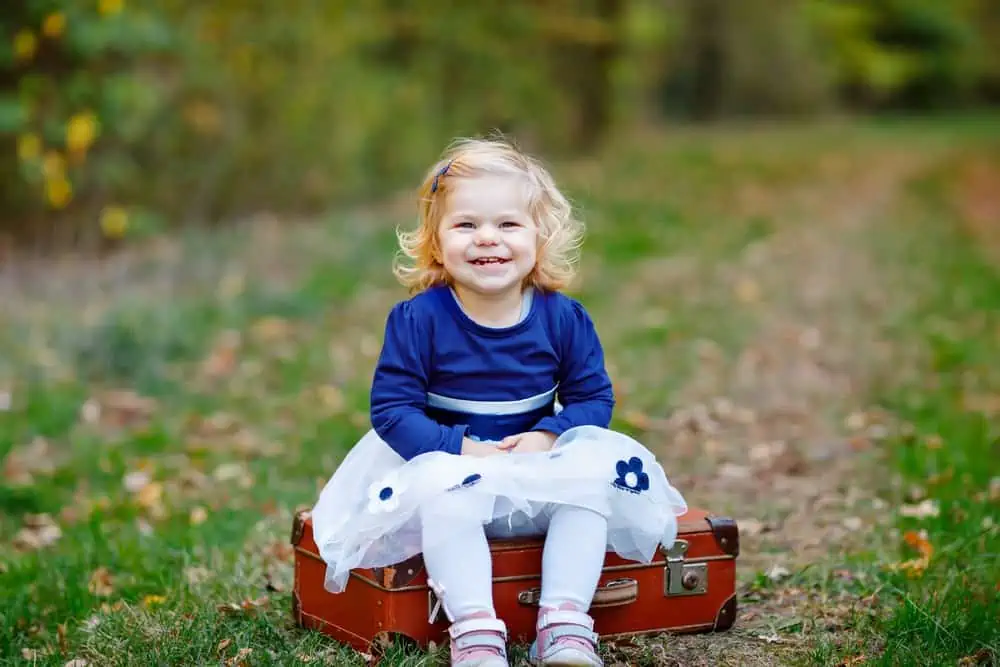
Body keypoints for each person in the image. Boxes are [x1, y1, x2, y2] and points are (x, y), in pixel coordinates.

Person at [310, 137, 687, 667]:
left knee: (588, 492)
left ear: (540, 237)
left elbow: (592, 396)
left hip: (532, 468)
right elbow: (393, 410)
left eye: (508, 224)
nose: (488, 238)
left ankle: (564, 625)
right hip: (445, 469)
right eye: (466, 225)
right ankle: (475, 631)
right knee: (449, 499)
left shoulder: (563, 318)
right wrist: (460, 449)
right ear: (436, 244)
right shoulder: (419, 320)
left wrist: (549, 436)